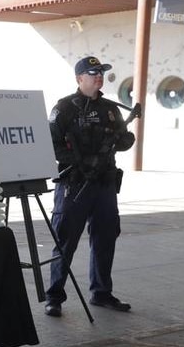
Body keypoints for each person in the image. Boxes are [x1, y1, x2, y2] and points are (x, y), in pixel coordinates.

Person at [44, 56, 136, 317]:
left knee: (106, 237)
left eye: (101, 72)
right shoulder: (64, 108)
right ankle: (54, 297)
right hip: (75, 184)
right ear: (79, 78)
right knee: (65, 240)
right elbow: (51, 144)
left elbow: (121, 140)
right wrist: (80, 162)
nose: (98, 76)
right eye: (92, 72)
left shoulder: (111, 108)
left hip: (104, 184)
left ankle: (101, 293)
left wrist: (125, 139)